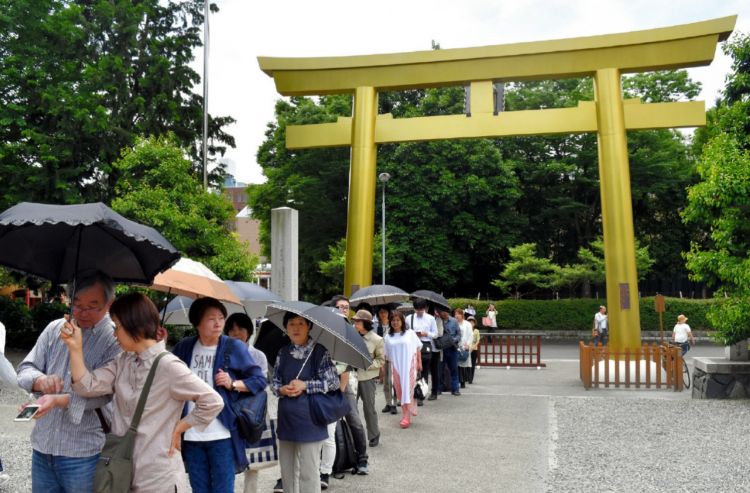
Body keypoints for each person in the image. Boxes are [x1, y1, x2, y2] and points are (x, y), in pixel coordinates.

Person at [61, 292, 224, 492]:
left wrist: (181, 427)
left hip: (158, 477)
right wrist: (75, 348)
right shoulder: (124, 361)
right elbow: (87, 385)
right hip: (124, 472)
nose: (114, 334)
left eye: (117, 327)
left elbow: (213, 401)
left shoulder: (168, 365)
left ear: (134, 325)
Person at [17, 271, 122, 493]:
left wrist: (56, 400)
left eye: (92, 306)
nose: (82, 313)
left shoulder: (114, 339)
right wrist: (40, 380)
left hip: (84, 452)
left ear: (108, 304)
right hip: (43, 446)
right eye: (76, 304)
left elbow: (104, 396)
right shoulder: (55, 328)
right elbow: (25, 369)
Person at [172, 297, 268, 493]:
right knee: (199, 489)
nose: (218, 323)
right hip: (191, 433)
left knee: (223, 489)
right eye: (211, 318)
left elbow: (258, 380)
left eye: (221, 318)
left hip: (222, 432)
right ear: (197, 322)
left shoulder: (233, 347)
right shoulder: (184, 347)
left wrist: (233, 383)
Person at [272, 311, 340, 493]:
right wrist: (281, 389)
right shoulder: (283, 352)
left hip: (311, 419)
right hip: (287, 419)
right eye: (291, 323)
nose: (295, 327)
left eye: (300, 323)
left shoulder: (319, 352)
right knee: (287, 471)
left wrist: (305, 385)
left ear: (309, 326)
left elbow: (333, 382)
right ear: (286, 327)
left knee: (309, 472)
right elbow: (275, 380)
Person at [224, 313, 278, 493]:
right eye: (231, 330)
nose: (236, 333)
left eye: (240, 329)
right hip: (228, 411)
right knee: (227, 458)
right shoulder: (222, 353)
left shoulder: (258, 355)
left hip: (251, 411)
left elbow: (260, 382)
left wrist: (234, 384)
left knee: (253, 460)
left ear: (249, 331)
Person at [384, 311, 422, 429]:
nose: (395, 322)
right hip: (396, 367)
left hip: (409, 365)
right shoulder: (388, 337)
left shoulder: (410, 333)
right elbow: (386, 355)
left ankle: (406, 416)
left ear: (402, 321)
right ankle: (410, 408)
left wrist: (419, 363)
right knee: (400, 391)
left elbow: (417, 347)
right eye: (393, 320)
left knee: (408, 389)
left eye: (398, 320)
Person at [352, 310, 385, 447]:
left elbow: (381, 360)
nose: (355, 324)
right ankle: (352, 437)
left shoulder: (377, 339)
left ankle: (374, 434)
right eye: (354, 321)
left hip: (367, 378)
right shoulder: (351, 336)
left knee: (369, 408)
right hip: (351, 377)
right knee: (350, 409)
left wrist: (368, 365)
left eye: (358, 321)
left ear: (366, 323)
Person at [406, 299, 438, 402]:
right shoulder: (409, 318)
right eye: (417, 309)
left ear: (425, 308)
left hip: (425, 345)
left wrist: (426, 334)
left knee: (423, 371)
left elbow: (435, 334)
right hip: (411, 346)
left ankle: (421, 394)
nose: (419, 311)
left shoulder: (431, 318)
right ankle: (410, 394)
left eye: (421, 309)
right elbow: (405, 332)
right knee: (410, 371)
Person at [434, 306, 462, 396]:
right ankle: (439, 388)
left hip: (452, 348)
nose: (444, 313)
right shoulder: (437, 321)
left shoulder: (454, 321)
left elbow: (459, 334)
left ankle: (455, 389)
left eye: (446, 311)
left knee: (454, 369)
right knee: (440, 370)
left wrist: (453, 340)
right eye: (442, 311)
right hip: (442, 349)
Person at [374, 305, 397, 415]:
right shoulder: (377, 327)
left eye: (385, 312)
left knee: (392, 381)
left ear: (388, 313)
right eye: (381, 312)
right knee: (385, 383)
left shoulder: (392, 325)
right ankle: (388, 402)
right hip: (382, 356)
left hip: (392, 356)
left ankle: (393, 404)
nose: (383, 314)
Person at [454, 308, 473, 389]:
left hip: (464, 346)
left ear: (462, 315)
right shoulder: (454, 323)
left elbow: (470, 335)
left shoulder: (467, 324)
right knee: (456, 364)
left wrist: (468, 344)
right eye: (455, 314)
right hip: (456, 346)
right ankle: (457, 381)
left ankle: (463, 382)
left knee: (463, 364)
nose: (456, 316)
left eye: (458, 314)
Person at [468, 316, 481, 384]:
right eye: (469, 322)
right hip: (467, 349)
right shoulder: (466, 330)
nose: (471, 323)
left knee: (472, 364)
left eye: (472, 322)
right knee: (466, 364)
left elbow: (478, 340)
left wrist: (473, 347)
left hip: (474, 349)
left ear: (474, 323)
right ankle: (466, 378)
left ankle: (471, 379)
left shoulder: (476, 331)